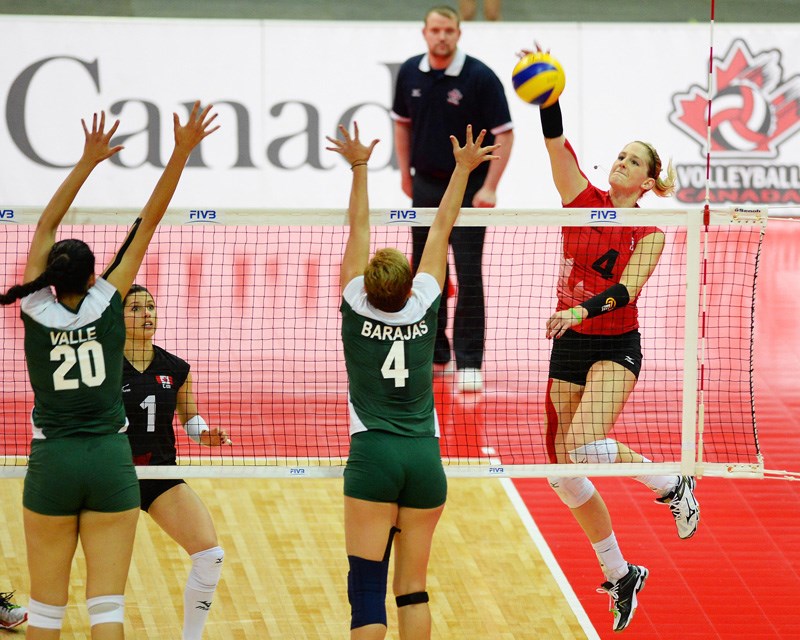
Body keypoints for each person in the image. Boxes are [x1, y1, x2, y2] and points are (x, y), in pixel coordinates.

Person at [0, 103, 218, 639]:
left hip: (52, 461)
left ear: (49, 277)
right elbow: (149, 219)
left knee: (46, 613)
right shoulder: (108, 301)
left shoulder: (34, 308)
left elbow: (47, 221)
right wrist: (182, 152)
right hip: (109, 463)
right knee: (107, 611)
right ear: (96, 274)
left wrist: (85, 162)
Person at [530, 57, 701, 633]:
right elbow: (555, 143)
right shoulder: (580, 198)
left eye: (636, 160)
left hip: (614, 345)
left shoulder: (649, 232)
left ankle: (672, 482)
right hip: (570, 344)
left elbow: (629, 290)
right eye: (620, 155)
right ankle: (621, 571)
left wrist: (577, 308)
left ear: (649, 181)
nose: (622, 162)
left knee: (581, 441)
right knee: (561, 472)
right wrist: (546, 95)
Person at [327, 122, 497, 639]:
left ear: (369, 287)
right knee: (413, 590)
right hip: (425, 459)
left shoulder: (356, 306)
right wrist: (464, 171)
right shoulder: (425, 304)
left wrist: (359, 167)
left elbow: (359, 229)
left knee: (366, 594)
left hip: (374, 456)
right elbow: (441, 228)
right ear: (409, 285)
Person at [391, 5, 514, 392]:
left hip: (469, 188)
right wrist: (405, 173)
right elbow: (402, 124)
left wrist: (489, 186)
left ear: (459, 33)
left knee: (468, 272)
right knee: (426, 270)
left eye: (448, 30)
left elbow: (505, 134)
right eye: (435, 30)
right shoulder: (410, 72)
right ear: (424, 32)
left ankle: (470, 361)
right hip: (426, 186)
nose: (441, 36)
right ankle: (434, 351)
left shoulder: (479, 77)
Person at [121, 284, 231, 640]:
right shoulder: (102, 366)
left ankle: (191, 637)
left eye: (151, 307)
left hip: (159, 475)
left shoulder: (176, 368)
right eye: (136, 308)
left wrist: (205, 435)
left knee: (210, 554)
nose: (147, 314)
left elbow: (190, 419)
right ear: (117, 317)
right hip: (111, 476)